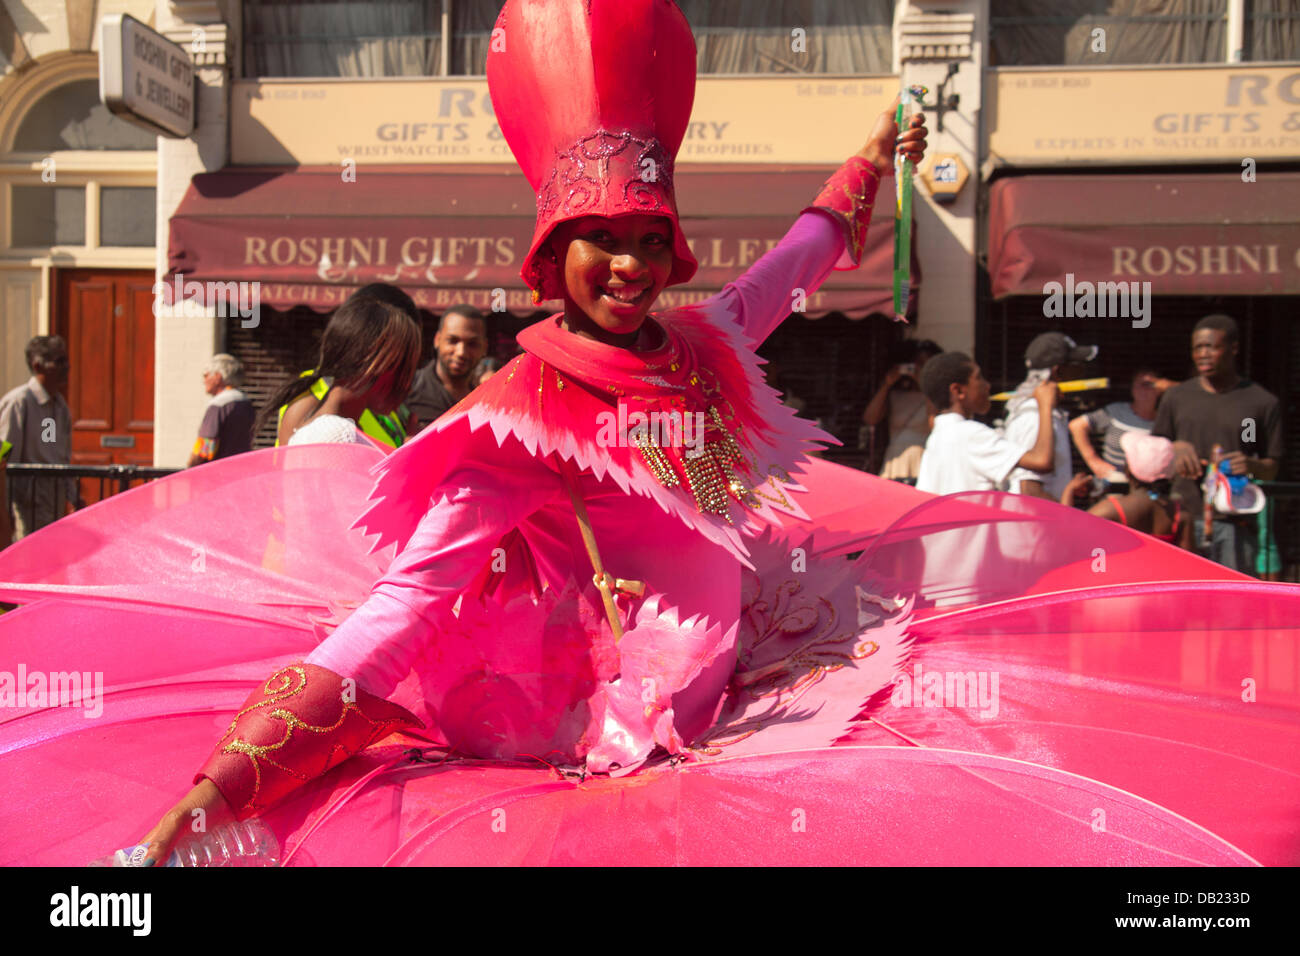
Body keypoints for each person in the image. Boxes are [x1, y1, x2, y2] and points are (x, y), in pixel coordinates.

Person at [133, 0, 930, 864]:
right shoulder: (521, 417)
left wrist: (872, 159)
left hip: (747, 698)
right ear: (553, 254)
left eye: (650, 240)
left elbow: (794, 262)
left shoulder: (709, 345)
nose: (631, 266)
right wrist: (221, 791)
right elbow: (409, 599)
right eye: (601, 239)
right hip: (631, 760)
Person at [1151, 314, 1283, 574]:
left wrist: (1251, 464)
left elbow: (1272, 466)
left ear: (1233, 349)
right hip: (1183, 517)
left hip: (1234, 523)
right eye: (1197, 348)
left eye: (1210, 346)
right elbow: (1153, 452)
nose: (1202, 354)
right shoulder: (1177, 398)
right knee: (1182, 602)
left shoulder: (1259, 402)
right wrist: (1173, 448)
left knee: (1233, 606)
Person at [262, 290, 421, 448]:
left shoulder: (340, 428)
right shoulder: (336, 435)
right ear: (376, 363)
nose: (408, 386)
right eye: (406, 369)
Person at [916, 351, 1058, 495]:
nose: (987, 385)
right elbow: (1042, 461)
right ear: (958, 391)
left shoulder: (937, 437)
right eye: (978, 378)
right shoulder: (970, 433)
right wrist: (1045, 405)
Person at [0, 336, 81, 538]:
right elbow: (3, 455)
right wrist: (4, 511)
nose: (67, 367)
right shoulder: (19, 403)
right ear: (38, 366)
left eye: (66, 360)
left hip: (52, 507)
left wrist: (73, 496)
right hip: (25, 507)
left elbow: (53, 451)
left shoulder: (58, 406)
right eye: (59, 361)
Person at [1002, 332, 1098, 500]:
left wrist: (1068, 489)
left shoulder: (1047, 413)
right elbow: (1030, 490)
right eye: (1077, 366)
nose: (1082, 373)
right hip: (1037, 525)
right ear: (1057, 372)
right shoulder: (1034, 416)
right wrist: (1066, 515)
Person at [1061, 432, 1193, 550]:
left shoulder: (1111, 510)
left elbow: (1068, 537)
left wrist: (1069, 491)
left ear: (1128, 471)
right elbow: (1191, 563)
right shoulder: (1179, 514)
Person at [1068, 367, 1174, 488]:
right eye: (1140, 384)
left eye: (1150, 384)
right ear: (1132, 389)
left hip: (1147, 489)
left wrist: (1171, 387)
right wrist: (1093, 460)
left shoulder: (1165, 419)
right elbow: (1076, 426)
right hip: (1112, 485)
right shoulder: (1117, 411)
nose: (1144, 390)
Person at [862, 338, 942, 481]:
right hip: (895, 460)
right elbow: (870, 418)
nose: (919, 369)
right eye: (916, 364)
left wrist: (923, 385)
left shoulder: (935, 397)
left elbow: (936, 425)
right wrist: (886, 384)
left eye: (924, 365)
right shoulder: (895, 395)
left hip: (922, 458)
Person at [405, 304, 489, 435]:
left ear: (484, 347)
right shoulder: (409, 387)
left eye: (472, 344)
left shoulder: (486, 402)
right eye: (453, 341)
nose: (461, 352)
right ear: (437, 340)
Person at [187, 354, 255, 467]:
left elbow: (205, 448)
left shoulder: (218, 405)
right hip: (240, 469)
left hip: (216, 472)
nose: (204, 381)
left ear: (218, 377)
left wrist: (190, 467)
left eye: (206, 375)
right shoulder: (246, 402)